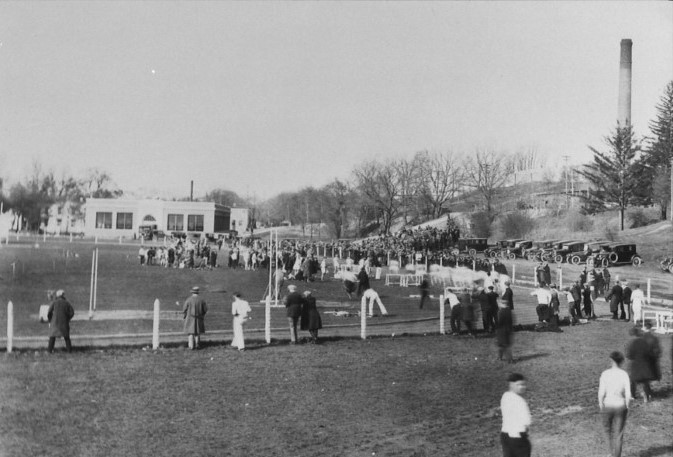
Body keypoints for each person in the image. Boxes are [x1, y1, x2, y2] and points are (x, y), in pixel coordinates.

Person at [598, 351, 632, 457]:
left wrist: (600, 403)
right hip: (620, 405)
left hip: (607, 404)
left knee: (607, 431)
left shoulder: (605, 374)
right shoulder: (624, 374)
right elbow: (628, 393)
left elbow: (601, 392)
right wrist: (627, 404)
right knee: (619, 434)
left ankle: (609, 453)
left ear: (611, 360)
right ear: (621, 361)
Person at [500, 373, 532, 457]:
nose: (522, 387)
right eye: (519, 385)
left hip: (505, 435)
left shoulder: (505, 396)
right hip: (518, 436)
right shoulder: (519, 401)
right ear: (511, 385)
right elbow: (527, 421)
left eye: (524, 384)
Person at [625, 327, 655, 402]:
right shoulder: (645, 342)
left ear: (633, 335)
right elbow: (650, 353)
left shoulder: (632, 343)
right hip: (645, 363)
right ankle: (647, 396)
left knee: (632, 381)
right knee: (645, 381)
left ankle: (632, 395)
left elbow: (629, 355)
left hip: (636, 364)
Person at [182, 286, 207, 350]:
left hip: (190, 318)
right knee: (197, 332)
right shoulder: (202, 300)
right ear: (198, 292)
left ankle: (191, 346)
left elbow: (184, 309)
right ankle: (197, 344)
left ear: (192, 292)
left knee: (190, 332)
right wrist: (202, 315)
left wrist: (184, 316)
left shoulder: (188, 299)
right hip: (199, 318)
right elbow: (205, 310)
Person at [495, 299, 514, 363]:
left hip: (501, 331)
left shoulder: (501, 312)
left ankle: (510, 359)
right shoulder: (509, 311)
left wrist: (496, 328)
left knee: (503, 344)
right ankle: (499, 357)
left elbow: (499, 322)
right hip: (508, 329)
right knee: (502, 344)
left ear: (502, 304)